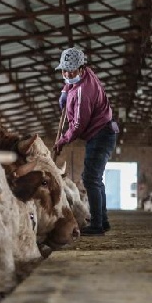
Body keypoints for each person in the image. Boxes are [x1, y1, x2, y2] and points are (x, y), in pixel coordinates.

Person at [52, 47, 118, 236]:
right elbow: (69, 82)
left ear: (81, 68)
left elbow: (79, 125)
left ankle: (97, 225)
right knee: (95, 179)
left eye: (70, 70)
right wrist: (65, 90)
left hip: (101, 134)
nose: (66, 74)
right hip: (101, 133)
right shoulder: (83, 75)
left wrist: (62, 140)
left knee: (90, 178)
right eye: (63, 70)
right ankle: (102, 221)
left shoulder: (84, 91)